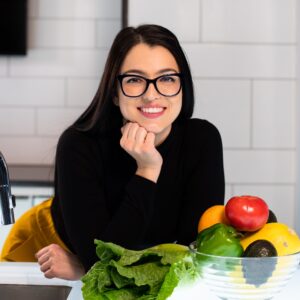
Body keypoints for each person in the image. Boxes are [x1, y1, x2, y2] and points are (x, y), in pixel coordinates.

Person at [1, 24, 225, 280]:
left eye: (166, 78)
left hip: (92, 265)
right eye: (134, 80)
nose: (152, 95)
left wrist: (85, 267)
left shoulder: (202, 140)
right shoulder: (78, 145)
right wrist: (147, 170)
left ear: (182, 86)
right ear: (115, 92)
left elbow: (195, 259)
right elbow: (101, 264)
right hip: (46, 250)